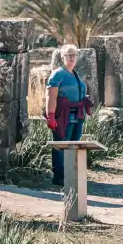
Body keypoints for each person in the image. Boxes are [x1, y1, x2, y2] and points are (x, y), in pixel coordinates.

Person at [44, 44, 93, 187]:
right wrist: (51, 117)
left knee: (73, 145)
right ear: (62, 57)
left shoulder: (75, 74)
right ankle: (59, 177)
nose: (72, 58)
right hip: (64, 116)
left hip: (77, 116)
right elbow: (51, 97)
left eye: (74, 55)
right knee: (61, 145)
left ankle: (70, 174)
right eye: (68, 55)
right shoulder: (58, 74)